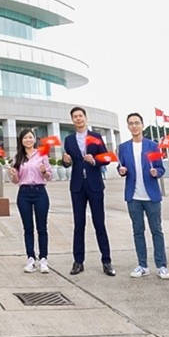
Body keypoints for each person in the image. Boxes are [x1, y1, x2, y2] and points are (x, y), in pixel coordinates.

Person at [61, 106, 114, 276]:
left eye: (80, 116)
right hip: (77, 186)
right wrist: (66, 161)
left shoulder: (96, 137)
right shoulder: (69, 139)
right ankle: (78, 261)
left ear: (85, 118)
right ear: (72, 120)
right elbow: (67, 162)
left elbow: (106, 158)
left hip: (95, 185)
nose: (78, 119)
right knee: (79, 224)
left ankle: (106, 261)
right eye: (75, 116)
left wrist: (95, 161)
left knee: (99, 223)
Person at [116, 113, 169, 280]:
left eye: (137, 123)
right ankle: (142, 265)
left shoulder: (152, 146)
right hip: (134, 196)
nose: (134, 126)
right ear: (128, 126)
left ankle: (161, 266)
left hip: (151, 195)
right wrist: (121, 171)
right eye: (131, 123)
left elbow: (161, 169)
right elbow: (121, 167)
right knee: (137, 231)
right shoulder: (123, 147)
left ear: (142, 125)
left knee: (157, 230)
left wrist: (156, 172)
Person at [8, 128, 52, 273]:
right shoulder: (18, 158)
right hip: (24, 193)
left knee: (42, 227)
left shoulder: (42, 155)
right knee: (28, 228)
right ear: (21, 141)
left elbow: (49, 176)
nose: (28, 140)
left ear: (34, 139)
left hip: (40, 192)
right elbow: (16, 181)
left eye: (30, 137)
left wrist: (44, 171)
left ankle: (43, 259)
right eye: (25, 138)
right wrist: (13, 174)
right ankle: (31, 258)